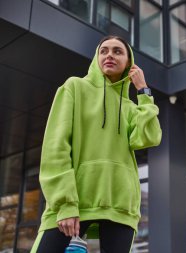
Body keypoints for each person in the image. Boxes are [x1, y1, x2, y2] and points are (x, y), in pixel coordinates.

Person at [31, 35, 162, 252]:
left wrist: (144, 92)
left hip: (120, 205)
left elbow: (149, 137)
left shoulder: (130, 107)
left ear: (129, 63)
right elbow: (56, 147)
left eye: (117, 51)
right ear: (96, 57)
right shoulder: (74, 87)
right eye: (104, 51)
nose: (109, 55)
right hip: (75, 201)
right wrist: (65, 203)